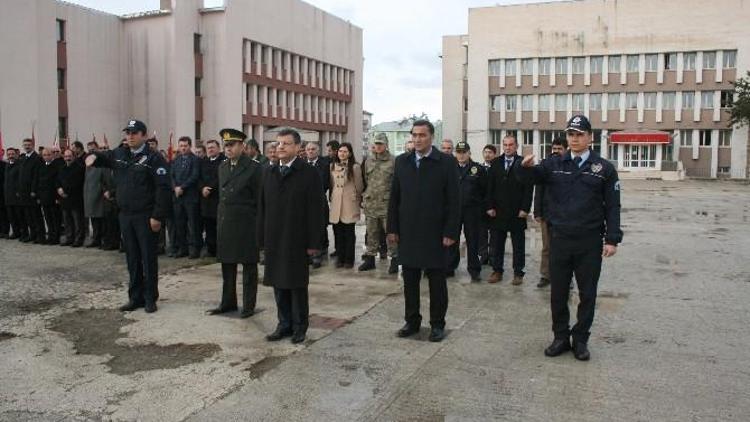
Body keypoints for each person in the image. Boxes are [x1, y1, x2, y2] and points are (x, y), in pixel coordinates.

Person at [520, 115, 622, 361]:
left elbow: (613, 206)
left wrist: (612, 239)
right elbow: (529, 179)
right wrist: (523, 168)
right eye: (571, 134)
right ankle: (560, 337)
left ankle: (581, 340)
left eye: (579, 134)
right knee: (558, 292)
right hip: (560, 240)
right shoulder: (554, 163)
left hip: (589, 241)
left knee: (587, 293)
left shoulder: (604, 169)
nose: (574, 139)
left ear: (590, 137)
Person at [86, 119, 172, 314]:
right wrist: (92, 157)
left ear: (143, 135)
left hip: (146, 216)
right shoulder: (120, 154)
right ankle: (135, 297)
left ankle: (150, 298)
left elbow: (163, 189)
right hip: (125, 215)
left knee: (148, 258)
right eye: (128, 133)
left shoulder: (154, 158)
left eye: (134, 133)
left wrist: (157, 216)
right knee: (132, 258)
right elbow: (103, 157)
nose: (130, 136)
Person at [387, 119, 460, 342]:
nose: (417, 139)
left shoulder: (446, 162)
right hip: (408, 231)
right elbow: (395, 198)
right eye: (414, 135)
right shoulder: (402, 162)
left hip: (436, 233)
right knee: (410, 281)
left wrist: (451, 232)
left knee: (437, 282)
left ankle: (437, 324)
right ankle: (412, 321)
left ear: (431, 137)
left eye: (422, 135)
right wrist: (392, 228)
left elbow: (454, 201)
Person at [259, 128, 326, 344]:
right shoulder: (268, 172)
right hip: (275, 238)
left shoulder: (308, 173)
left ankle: (299, 326)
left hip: (297, 239)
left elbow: (317, 210)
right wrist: (261, 238)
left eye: (286, 143)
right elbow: (262, 207)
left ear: (298, 147)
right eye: (278, 143)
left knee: (296, 285)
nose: (280, 147)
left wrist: (314, 243)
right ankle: (284, 324)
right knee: (278, 283)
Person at [207, 129, 262, 318]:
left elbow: (260, 199)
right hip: (227, 222)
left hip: (247, 223)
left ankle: (248, 305)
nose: (228, 149)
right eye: (226, 145)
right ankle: (228, 302)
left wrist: (259, 225)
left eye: (231, 145)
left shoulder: (254, 168)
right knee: (227, 265)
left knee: (248, 267)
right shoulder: (223, 166)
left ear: (242, 146)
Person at [485, 135, 533, 285]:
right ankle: (497, 271)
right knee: (497, 244)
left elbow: (528, 188)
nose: (507, 147)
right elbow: (489, 187)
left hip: (517, 211)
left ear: (516, 146)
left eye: (510, 145)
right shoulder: (495, 163)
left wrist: (525, 208)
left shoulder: (523, 162)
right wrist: (489, 206)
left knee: (518, 244)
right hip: (498, 211)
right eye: (505, 145)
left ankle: (518, 273)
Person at [358, 133, 399, 274]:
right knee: (371, 233)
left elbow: (397, 183)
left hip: (387, 204)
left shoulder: (394, 161)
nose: (378, 146)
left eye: (381, 143)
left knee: (391, 234)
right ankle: (370, 259)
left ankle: (394, 259)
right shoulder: (368, 161)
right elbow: (365, 180)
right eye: (376, 143)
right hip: (371, 204)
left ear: (386, 145)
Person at [448, 142, 487, 282]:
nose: (461, 155)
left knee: (472, 241)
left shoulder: (477, 169)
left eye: (464, 152)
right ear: (455, 153)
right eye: (459, 152)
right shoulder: (451, 168)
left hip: (472, 210)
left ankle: (474, 270)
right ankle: (450, 267)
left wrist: (482, 209)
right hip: (454, 210)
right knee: (453, 239)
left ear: (469, 153)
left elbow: (484, 191)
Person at [533, 137, 567, 288]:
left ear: (566, 150)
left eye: (560, 149)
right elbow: (538, 189)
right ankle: (545, 275)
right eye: (554, 149)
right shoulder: (545, 166)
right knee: (547, 247)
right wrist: (537, 212)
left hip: (566, 216)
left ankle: (566, 277)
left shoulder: (571, 165)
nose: (556, 151)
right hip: (547, 214)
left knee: (564, 247)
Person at [329, 142, 364, 269]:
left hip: (350, 202)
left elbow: (359, 186)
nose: (342, 154)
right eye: (340, 151)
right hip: (336, 201)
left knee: (349, 232)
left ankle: (349, 259)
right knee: (338, 232)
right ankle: (340, 257)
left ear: (349, 153)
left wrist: (357, 199)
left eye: (345, 151)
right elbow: (332, 184)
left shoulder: (354, 167)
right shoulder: (332, 166)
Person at [171, 136, 202, 259]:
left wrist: (182, 187)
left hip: (190, 197)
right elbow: (171, 175)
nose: (183, 148)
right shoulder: (176, 160)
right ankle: (182, 248)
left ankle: (195, 249)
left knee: (193, 225)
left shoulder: (195, 160)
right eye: (181, 146)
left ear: (190, 146)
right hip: (178, 197)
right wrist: (175, 188)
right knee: (179, 224)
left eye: (185, 146)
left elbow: (194, 176)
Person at [304, 141, 331, 268]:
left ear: (318, 151)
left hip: (319, 200)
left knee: (319, 227)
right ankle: (308, 254)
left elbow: (326, 183)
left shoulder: (325, 165)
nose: (310, 151)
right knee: (307, 228)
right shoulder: (302, 165)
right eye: (308, 149)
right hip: (305, 202)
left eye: (313, 149)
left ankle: (317, 254)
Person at [199, 139, 224, 257]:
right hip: (205, 199)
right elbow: (199, 177)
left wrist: (210, 188)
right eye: (208, 148)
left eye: (213, 147)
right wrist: (202, 188)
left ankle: (220, 250)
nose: (210, 150)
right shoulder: (204, 161)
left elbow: (221, 177)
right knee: (208, 227)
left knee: (219, 227)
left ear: (218, 148)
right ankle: (211, 249)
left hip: (217, 198)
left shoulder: (223, 161)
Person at [17, 138, 45, 243]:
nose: (27, 146)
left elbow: (36, 176)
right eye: (25, 145)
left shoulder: (37, 158)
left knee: (36, 215)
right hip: (24, 192)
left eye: (28, 145)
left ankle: (40, 236)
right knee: (28, 216)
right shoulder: (23, 158)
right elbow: (21, 176)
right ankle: (33, 235)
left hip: (32, 192)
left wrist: (34, 191)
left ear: (32, 145)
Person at [57, 149, 86, 247]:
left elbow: (77, 183)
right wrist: (59, 189)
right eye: (65, 156)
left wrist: (65, 191)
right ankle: (69, 238)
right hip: (64, 199)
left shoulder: (79, 168)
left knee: (77, 221)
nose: (67, 158)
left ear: (74, 156)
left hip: (75, 198)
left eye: (69, 156)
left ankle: (79, 239)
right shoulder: (62, 168)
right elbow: (57, 181)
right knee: (67, 221)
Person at [37, 148, 63, 244]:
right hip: (44, 197)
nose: (46, 156)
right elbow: (39, 182)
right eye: (44, 155)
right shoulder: (41, 166)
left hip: (53, 197)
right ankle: (50, 235)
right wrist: (39, 196)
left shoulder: (57, 166)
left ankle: (56, 237)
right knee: (48, 218)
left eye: (48, 154)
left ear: (52, 155)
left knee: (55, 218)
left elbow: (58, 182)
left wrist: (58, 197)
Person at [83, 141, 105, 248]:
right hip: (90, 195)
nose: (91, 151)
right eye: (89, 149)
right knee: (94, 220)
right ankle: (96, 239)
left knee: (101, 220)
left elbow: (104, 180)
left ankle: (101, 239)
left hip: (100, 196)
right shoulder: (88, 163)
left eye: (93, 149)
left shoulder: (102, 163)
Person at [478, 144, 497, 266]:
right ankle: (483, 255)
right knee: (482, 233)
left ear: (494, 154)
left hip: (495, 207)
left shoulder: (498, 168)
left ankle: (494, 257)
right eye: (485, 152)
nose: (487, 154)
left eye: (490, 152)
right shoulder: (478, 168)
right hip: (481, 207)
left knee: (495, 233)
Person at [4, 148, 24, 239]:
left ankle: (22, 232)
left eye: (12, 154)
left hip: (16, 195)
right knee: (11, 216)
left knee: (19, 216)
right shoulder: (7, 165)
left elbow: (20, 181)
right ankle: (15, 232)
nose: (11, 156)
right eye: (9, 154)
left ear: (16, 154)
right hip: (8, 195)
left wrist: (18, 192)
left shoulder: (19, 165)